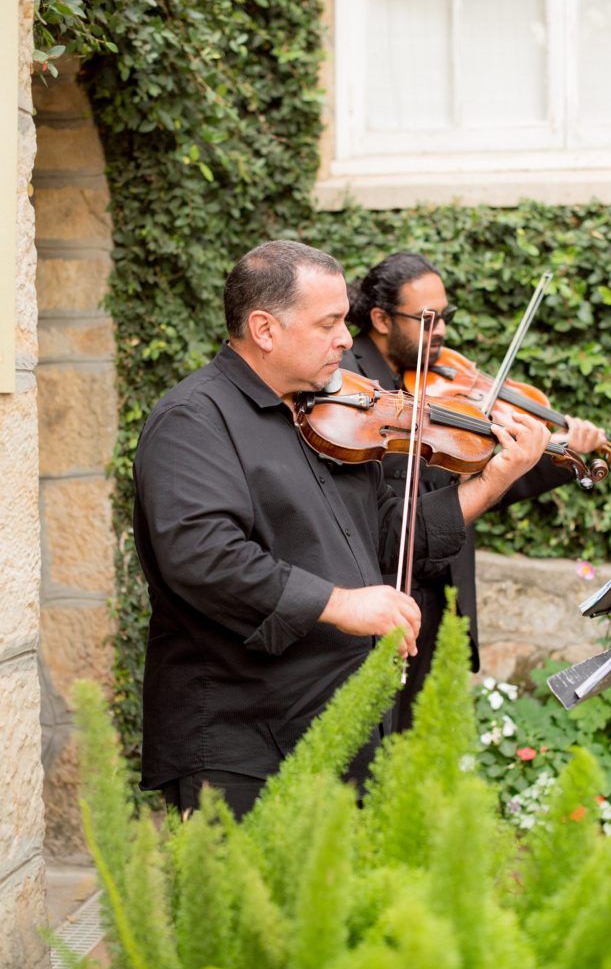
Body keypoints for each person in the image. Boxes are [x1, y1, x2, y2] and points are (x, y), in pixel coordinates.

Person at [133, 240, 552, 818]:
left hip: (338, 721)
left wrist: (496, 477)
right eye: (329, 323)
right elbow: (204, 556)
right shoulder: (193, 420)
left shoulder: (324, 411)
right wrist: (341, 604)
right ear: (264, 328)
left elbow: (386, 531)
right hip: (244, 741)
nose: (347, 340)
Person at [343, 251, 608, 731]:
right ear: (380, 319)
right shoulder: (348, 377)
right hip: (378, 588)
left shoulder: (440, 381)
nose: (441, 330)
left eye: (446, 316)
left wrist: (561, 451)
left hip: (440, 589)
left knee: (413, 743)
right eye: (428, 319)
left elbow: (480, 481)